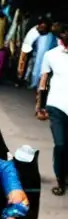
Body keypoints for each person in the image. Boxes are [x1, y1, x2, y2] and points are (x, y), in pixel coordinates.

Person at [40, 29, 68, 195]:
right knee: (60, 144)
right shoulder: (51, 55)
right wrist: (40, 105)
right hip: (56, 105)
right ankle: (60, 180)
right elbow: (43, 81)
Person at [21, 16, 56, 91]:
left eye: (44, 26)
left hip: (46, 57)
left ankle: (38, 85)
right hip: (36, 55)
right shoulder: (34, 31)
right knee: (36, 66)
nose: (42, 27)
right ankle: (34, 83)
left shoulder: (50, 36)